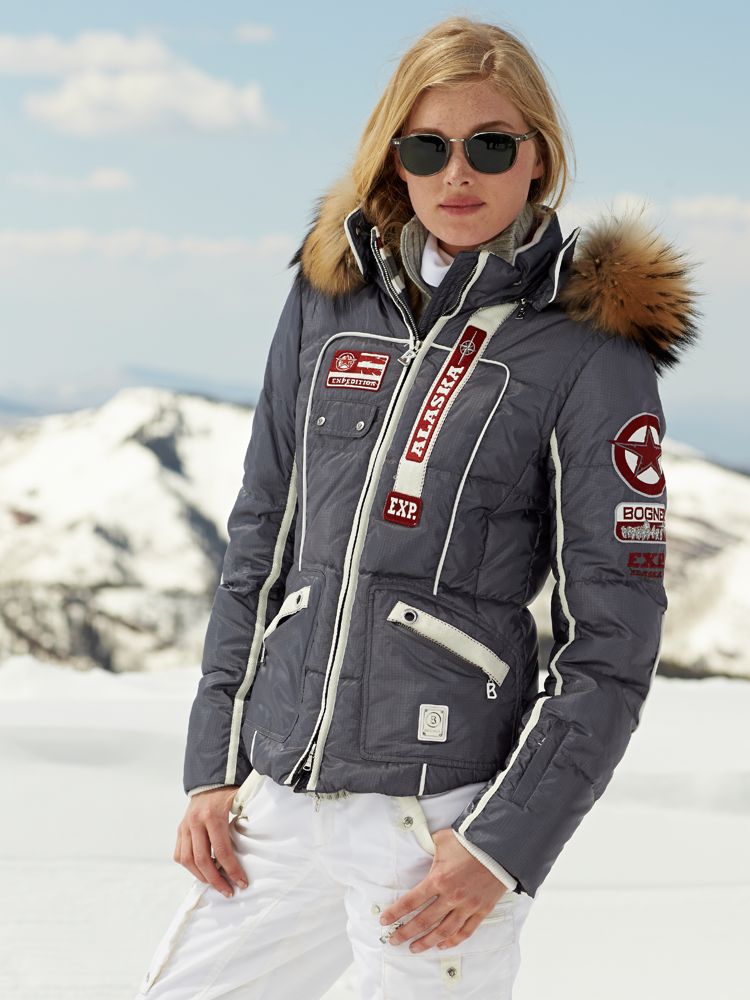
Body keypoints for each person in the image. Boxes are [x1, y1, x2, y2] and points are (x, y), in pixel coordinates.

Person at [133, 16, 698, 1000]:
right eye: (428, 147)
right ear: (395, 155)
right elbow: (262, 538)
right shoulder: (329, 296)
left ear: (539, 156)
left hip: (436, 824)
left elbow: (613, 638)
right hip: (281, 791)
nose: (457, 173)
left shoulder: (590, 348)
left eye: (491, 145)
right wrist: (213, 767)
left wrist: (502, 845)